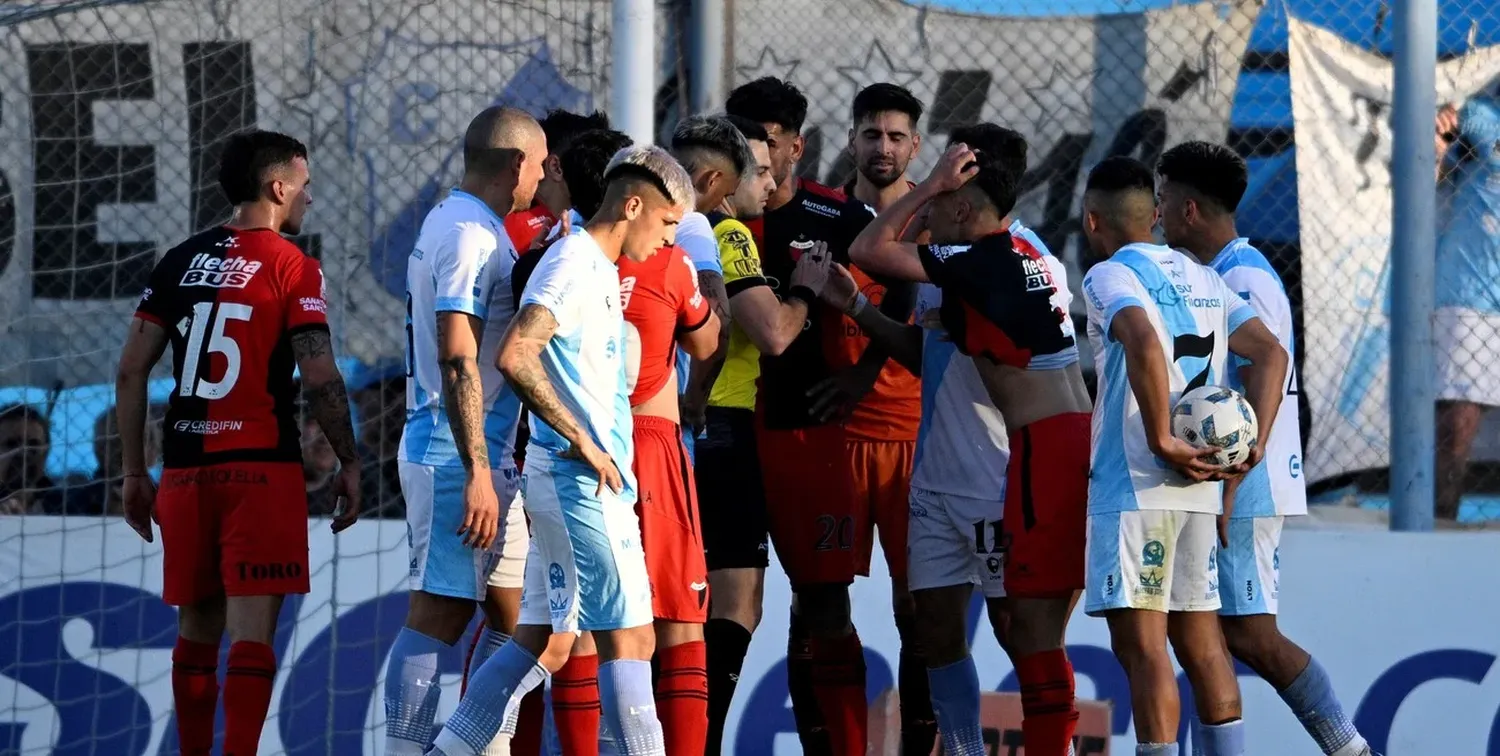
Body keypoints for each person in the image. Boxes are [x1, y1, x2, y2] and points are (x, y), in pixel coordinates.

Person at [429, 145, 697, 756]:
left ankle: (446, 753)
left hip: (570, 480)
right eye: (666, 224)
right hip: (580, 483)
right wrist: (583, 439)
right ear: (633, 205)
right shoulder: (573, 262)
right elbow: (517, 352)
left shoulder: (596, 266)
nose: (668, 241)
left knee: (542, 641)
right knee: (632, 641)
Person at [114, 128, 361, 756]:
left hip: (186, 470)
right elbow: (321, 373)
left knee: (196, 633)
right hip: (259, 471)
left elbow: (130, 368)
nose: (309, 198)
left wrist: (133, 472)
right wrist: (352, 460)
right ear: (277, 188)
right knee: (251, 638)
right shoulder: (293, 267)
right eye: (304, 186)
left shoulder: (177, 259)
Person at [848, 128, 1091, 756]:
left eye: (944, 183)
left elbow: (870, 247)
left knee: (1027, 630)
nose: (928, 201)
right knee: (934, 627)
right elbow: (936, 350)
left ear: (966, 194)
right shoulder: (971, 257)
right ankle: (963, 751)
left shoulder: (994, 256)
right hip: (944, 469)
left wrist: (926, 187)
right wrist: (857, 308)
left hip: (1010, 463)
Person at [1157, 141, 1377, 756]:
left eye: (1164, 200)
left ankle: (1351, 749)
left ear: (1191, 209)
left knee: (1249, 635)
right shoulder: (1217, 274)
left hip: (1243, 486)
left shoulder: (1242, 277)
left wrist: (1233, 478)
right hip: (1229, 483)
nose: (1158, 212)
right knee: (1204, 634)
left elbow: (1264, 373)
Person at [724, 76, 917, 756]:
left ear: (795, 146)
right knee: (738, 613)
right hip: (729, 437)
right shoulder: (703, 222)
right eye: (742, 141)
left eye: (767, 142)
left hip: (813, 437)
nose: (756, 156)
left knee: (832, 609)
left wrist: (863, 375)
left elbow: (907, 293)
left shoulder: (840, 220)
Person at [1079, 156, 1288, 756]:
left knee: (1145, 655)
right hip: (1200, 485)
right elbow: (1271, 354)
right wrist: (1252, 449)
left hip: (1135, 487)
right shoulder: (1207, 278)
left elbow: (1141, 338)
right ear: (1153, 216)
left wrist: (1160, 439)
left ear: (1095, 222)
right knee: (1202, 648)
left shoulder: (1108, 275)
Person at [383, 105, 547, 756]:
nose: (539, 176)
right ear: (514, 164)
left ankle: (487, 747)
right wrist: (478, 470)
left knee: (516, 618)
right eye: (537, 164)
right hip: (457, 457)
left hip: (485, 456)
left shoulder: (465, 223)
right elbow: (456, 356)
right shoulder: (470, 236)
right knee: (441, 613)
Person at [617, 163, 723, 755]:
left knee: (562, 633)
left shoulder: (561, 254)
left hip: (566, 449)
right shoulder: (674, 259)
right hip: (650, 443)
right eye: (668, 222)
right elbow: (708, 341)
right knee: (679, 620)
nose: (671, 233)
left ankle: (463, 739)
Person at [1434, 96, 1500, 522]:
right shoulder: (1490, 124)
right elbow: (1452, 119)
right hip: (1470, 296)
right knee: (1458, 425)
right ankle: (1441, 520)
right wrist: (1442, 134)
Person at [505, 109, 611, 253]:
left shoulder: (626, 224)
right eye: (592, 160)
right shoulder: (513, 231)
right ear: (555, 167)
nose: (602, 169)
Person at [0, 404, 64, 515]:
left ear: (46, 453)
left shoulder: (66, 504)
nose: (23, 453)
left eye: (33, 445)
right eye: (11, 444)